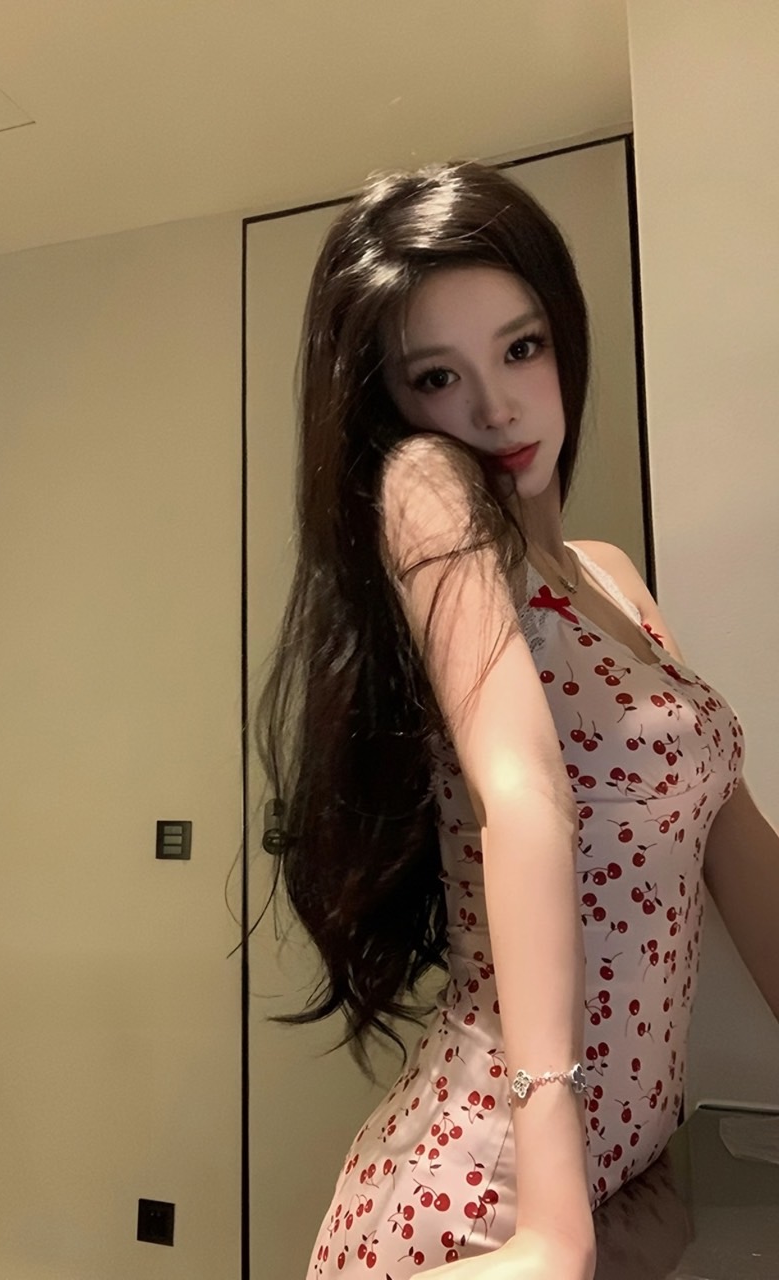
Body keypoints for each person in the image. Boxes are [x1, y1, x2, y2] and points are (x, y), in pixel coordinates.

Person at [258, 160, 779, 1279]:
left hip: (620, 1177)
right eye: (437, 376)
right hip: (487, 1195)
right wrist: (553, 1222)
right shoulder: (427, 490)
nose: (493, 407)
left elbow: (739, 850)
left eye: (521, 348)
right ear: (394, 403)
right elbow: (524, 790)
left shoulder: (611, 575)